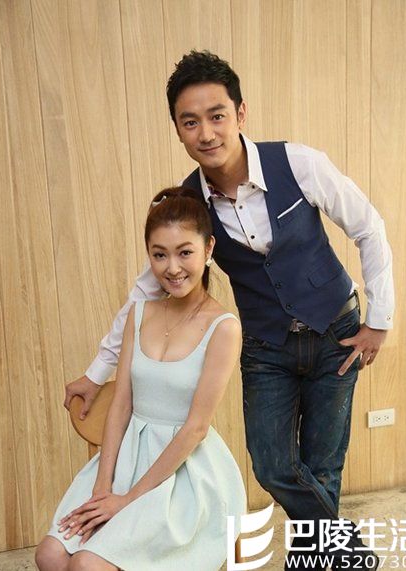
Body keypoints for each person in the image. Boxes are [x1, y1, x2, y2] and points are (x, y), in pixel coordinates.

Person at [65, 51, 394, 570]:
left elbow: (368, 227)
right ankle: (350, 553)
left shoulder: (299, 163)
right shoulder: (188, 204)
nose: (206, 133)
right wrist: (95, 373)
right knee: (273, 466)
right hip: (266, 346)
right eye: (190, 122)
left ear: (240, 113)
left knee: (323, 467)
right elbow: (142, 295)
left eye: (216, 115)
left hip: (336, 332)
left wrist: (379, 320)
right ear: (178, 129)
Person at [35, 187, 247, 571]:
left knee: (86, 564)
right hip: (125, 458)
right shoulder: (139, 313)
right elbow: (121, 404)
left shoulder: (224, 327)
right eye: (159, 254)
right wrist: (103, 486)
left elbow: (196, 428)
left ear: (208, 249)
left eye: (185, 252)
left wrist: (127, 500)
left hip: (182, 473)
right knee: (50, 555)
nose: (172, 268)